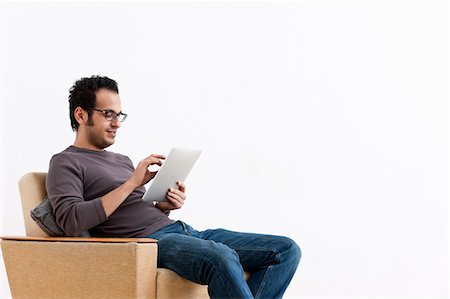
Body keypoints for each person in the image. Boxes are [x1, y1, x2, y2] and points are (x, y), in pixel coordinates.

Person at [46, 75, 301, 299]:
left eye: (119, 115)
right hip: (148, 244)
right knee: (220, 256)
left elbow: (131, 210)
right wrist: (133, 182)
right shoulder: (65, 162)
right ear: (81, 115)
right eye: (108, 114)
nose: (117, 123)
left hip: (181, 231)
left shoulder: (121, 160)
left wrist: (163, 207)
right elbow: (71, 220)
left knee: (286, 250)